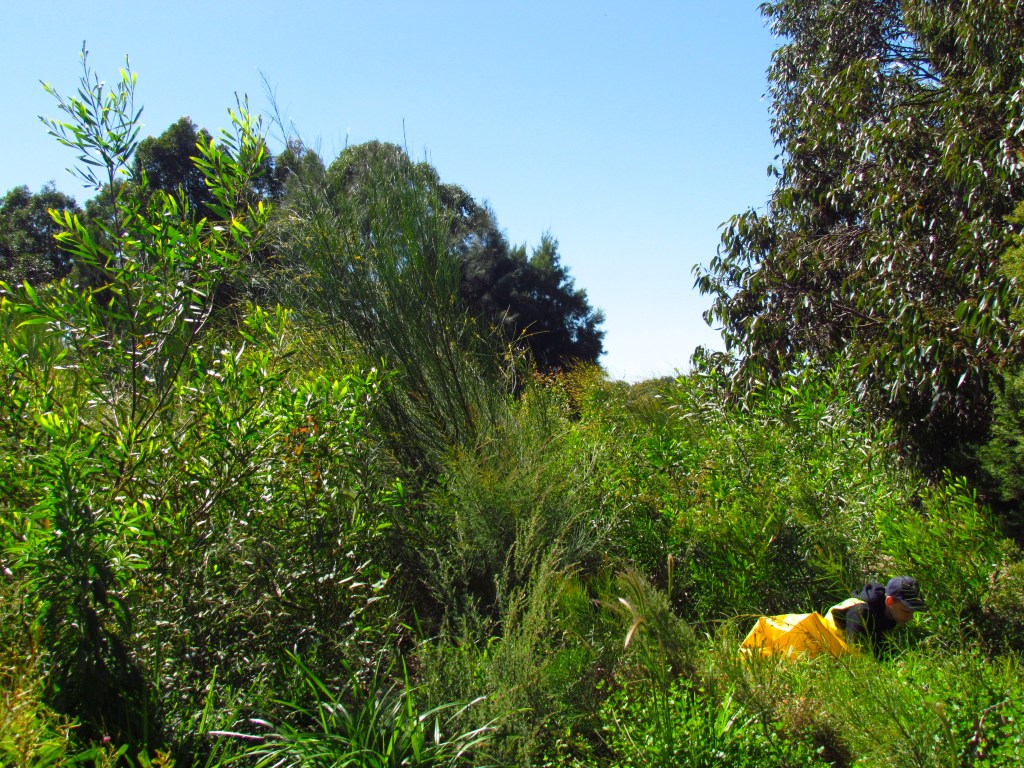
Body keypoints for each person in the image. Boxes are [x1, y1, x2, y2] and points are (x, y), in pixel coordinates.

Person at [824, 576, 927, 653]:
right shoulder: (860, 611)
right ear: (890, 601)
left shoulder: (890, 617)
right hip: (823, 649)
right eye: (906, 611)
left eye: (913, 612)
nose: (910, 617)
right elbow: (856, 654)